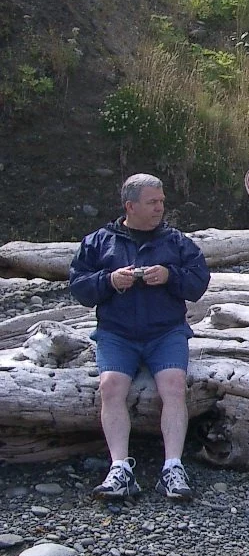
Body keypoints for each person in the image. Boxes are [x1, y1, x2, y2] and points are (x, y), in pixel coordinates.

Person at [69, 174, 211, 501]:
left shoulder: (175, 242)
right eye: (152, 202)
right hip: (117, 333)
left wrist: (169, 275)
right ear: (130, 206)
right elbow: (79, 287)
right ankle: (120, 468)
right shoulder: (99, 242)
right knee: (110, 387)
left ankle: (172, 467)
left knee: (175, 385)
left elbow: (198, 282)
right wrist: (110, 280)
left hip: (166, 332)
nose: (160, 207)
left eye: (161, 201)